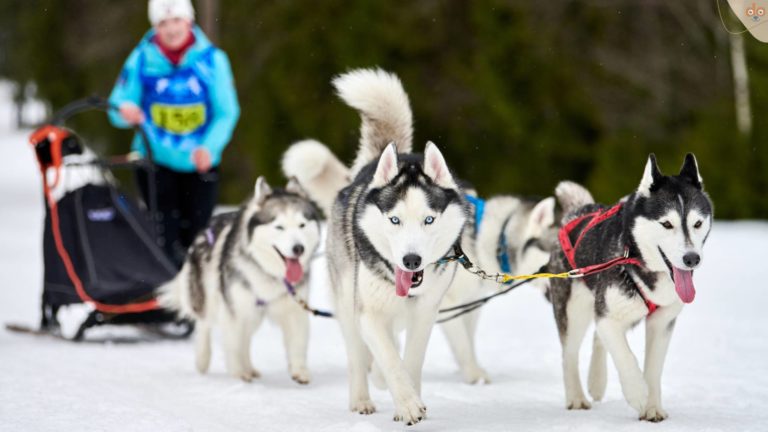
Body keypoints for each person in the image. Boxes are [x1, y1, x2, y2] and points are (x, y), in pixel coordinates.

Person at [109, 0, 240, 266]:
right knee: (163, 240)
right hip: (154, 163)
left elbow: (227, 112)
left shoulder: (213, 60)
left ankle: (195, 300)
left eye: (176, 20)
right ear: (155, 27)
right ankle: (165, 302)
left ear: (189, 21)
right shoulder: (141, 59)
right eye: (163, 23)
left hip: (200, 163)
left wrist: (209, 148)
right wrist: (126, 110)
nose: (171, 29)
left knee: (197, 241)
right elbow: (115, 107)